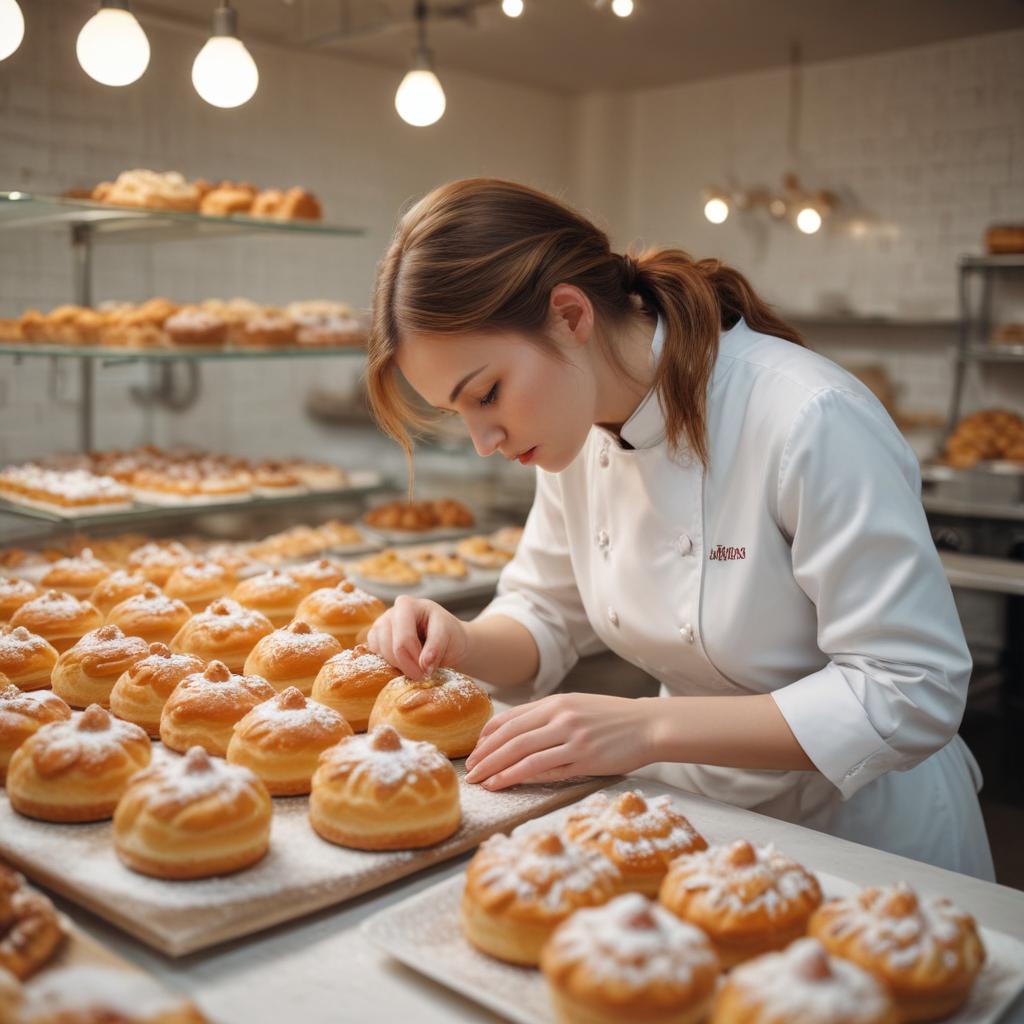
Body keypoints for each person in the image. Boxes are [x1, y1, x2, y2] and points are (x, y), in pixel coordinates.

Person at [364, 177, 994, 879]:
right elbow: (545, 611)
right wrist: (463, 639)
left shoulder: (805, 416)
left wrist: (645, 728)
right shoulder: (572, 429)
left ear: (570, 315)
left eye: (486, 394)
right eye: (461, 414)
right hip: (701, 826)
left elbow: (909, 687)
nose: (485, 439)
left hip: (869, 843)